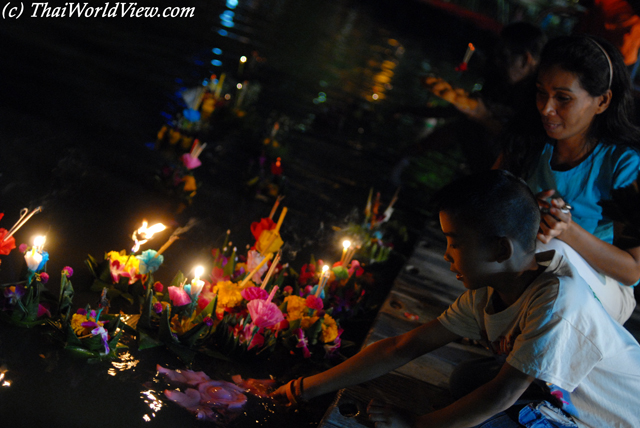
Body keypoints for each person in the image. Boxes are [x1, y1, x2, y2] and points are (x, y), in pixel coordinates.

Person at [272, 170, 640, 428]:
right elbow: (402, 346)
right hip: (558, 396)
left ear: (499, 249)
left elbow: (502, 393)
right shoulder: (489, 293)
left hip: (611, 418)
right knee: (466, 380)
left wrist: (417, 424)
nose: (447, 255)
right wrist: (306, 388)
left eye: (455, 242)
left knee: (482, 411)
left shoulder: (559, 302)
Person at [496, 34, 640, 324]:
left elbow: (632, 270)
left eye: (563, 98)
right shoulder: (528, 141)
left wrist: (566, 230)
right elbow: (485, 206)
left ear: (602, 101)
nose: (546, 109)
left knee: (553, 249)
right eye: (541, 93)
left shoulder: (624, 165)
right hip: (531, 271)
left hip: (604, 289)